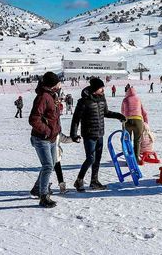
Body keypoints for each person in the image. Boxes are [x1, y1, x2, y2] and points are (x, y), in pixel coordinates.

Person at [70, 78, 126, 192]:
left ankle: (94, 181)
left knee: (97, 159)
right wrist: (73, 134)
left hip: (100, 133)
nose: (103, 89)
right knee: (90, 158)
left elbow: (106, 113)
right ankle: (79, 180)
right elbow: (76, 119)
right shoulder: (83, 101)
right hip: (89, 134)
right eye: (101, 88)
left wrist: (119, 116)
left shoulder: (102, 99)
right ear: (95, 89)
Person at [28, 72, 62, 208]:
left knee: (51, 164)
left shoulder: (52, 96)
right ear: (52, 85)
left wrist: (56, 130)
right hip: (42, 138)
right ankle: (43, 196)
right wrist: (47, 131)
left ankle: (37, 188)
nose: (60, 85)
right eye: (58, 82)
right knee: (48, 165)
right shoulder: (43, 97)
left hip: (52, 137)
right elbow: (34, 119)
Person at [121, 86, 149, 164]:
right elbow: (144, 112)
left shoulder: (125, 100)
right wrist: (146, 122)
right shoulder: (138, 99)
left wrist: (123, 124)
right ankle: (136, 159)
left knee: (128, 141)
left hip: (127, 121)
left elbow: (122, 112)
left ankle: (129, 160)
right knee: (137, 141)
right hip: (138, 121)